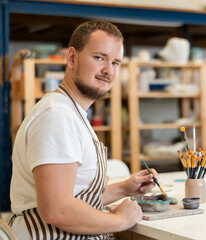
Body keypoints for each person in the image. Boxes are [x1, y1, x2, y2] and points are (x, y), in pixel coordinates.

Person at [9, 20, 159, 239]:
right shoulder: (57, 116)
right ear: (71, 57)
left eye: (116, 62)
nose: (108, 70)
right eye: (99, 58)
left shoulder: (72, 112)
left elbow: (75, 196)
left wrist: (125, 189)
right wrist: (120, 220)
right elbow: (57, 210)